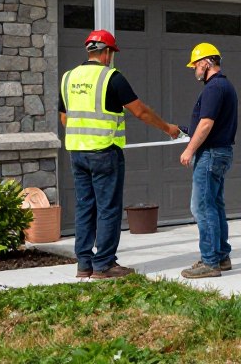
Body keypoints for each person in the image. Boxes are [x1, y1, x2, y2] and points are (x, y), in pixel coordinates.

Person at [59, 29, 180, 279]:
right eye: (111, 53)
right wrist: (167, 128)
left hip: (77, 152)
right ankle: (104, 264)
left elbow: (64, 117)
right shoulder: (111, 77)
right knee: (108, 208)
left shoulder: (68, 78)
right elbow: (140, 112)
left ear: (88, 50)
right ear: (106, 53)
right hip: (104, 152)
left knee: (85, 207)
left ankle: (84, 264)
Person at [179, 42, 239, 279]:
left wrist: (189, 150)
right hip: (220, 152)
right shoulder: (225, 86)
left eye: (195, 64)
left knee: (201, 207)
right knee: (215, 205)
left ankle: (210, 262)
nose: (194, 69)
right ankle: (222, 256)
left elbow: (206, 124)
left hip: (211, 154)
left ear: (206, 63)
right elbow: (204, 125)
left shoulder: (214, 88)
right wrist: (182, 131)